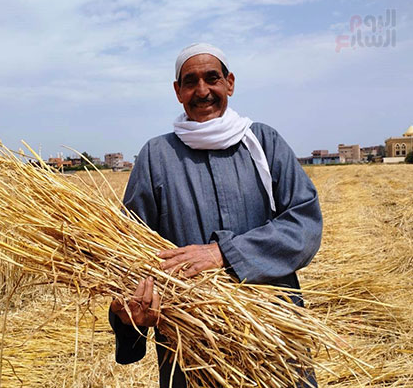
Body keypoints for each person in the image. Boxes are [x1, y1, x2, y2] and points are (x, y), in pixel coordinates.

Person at [108, 43, 322, 388]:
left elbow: (304, 223)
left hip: (273, 336)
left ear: (230, 83)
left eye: (212, 78)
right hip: (193, 346)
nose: (202, 91)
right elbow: (129, 253)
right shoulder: (157, 156)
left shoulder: (263, 142)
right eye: (190, 82)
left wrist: (224, 254)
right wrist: (133, 309)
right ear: (177, 92)